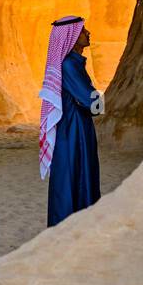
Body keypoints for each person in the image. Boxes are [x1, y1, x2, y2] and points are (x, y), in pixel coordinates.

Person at [38, 16, 101, 226]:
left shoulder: (73, 64)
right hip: (73, 134)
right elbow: (93, 103)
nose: (88, 33)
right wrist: (98, 99)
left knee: (75, 179)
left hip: (74, 131)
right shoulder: (69, 66)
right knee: (73, 181)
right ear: (72, 37)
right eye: (83, 31)